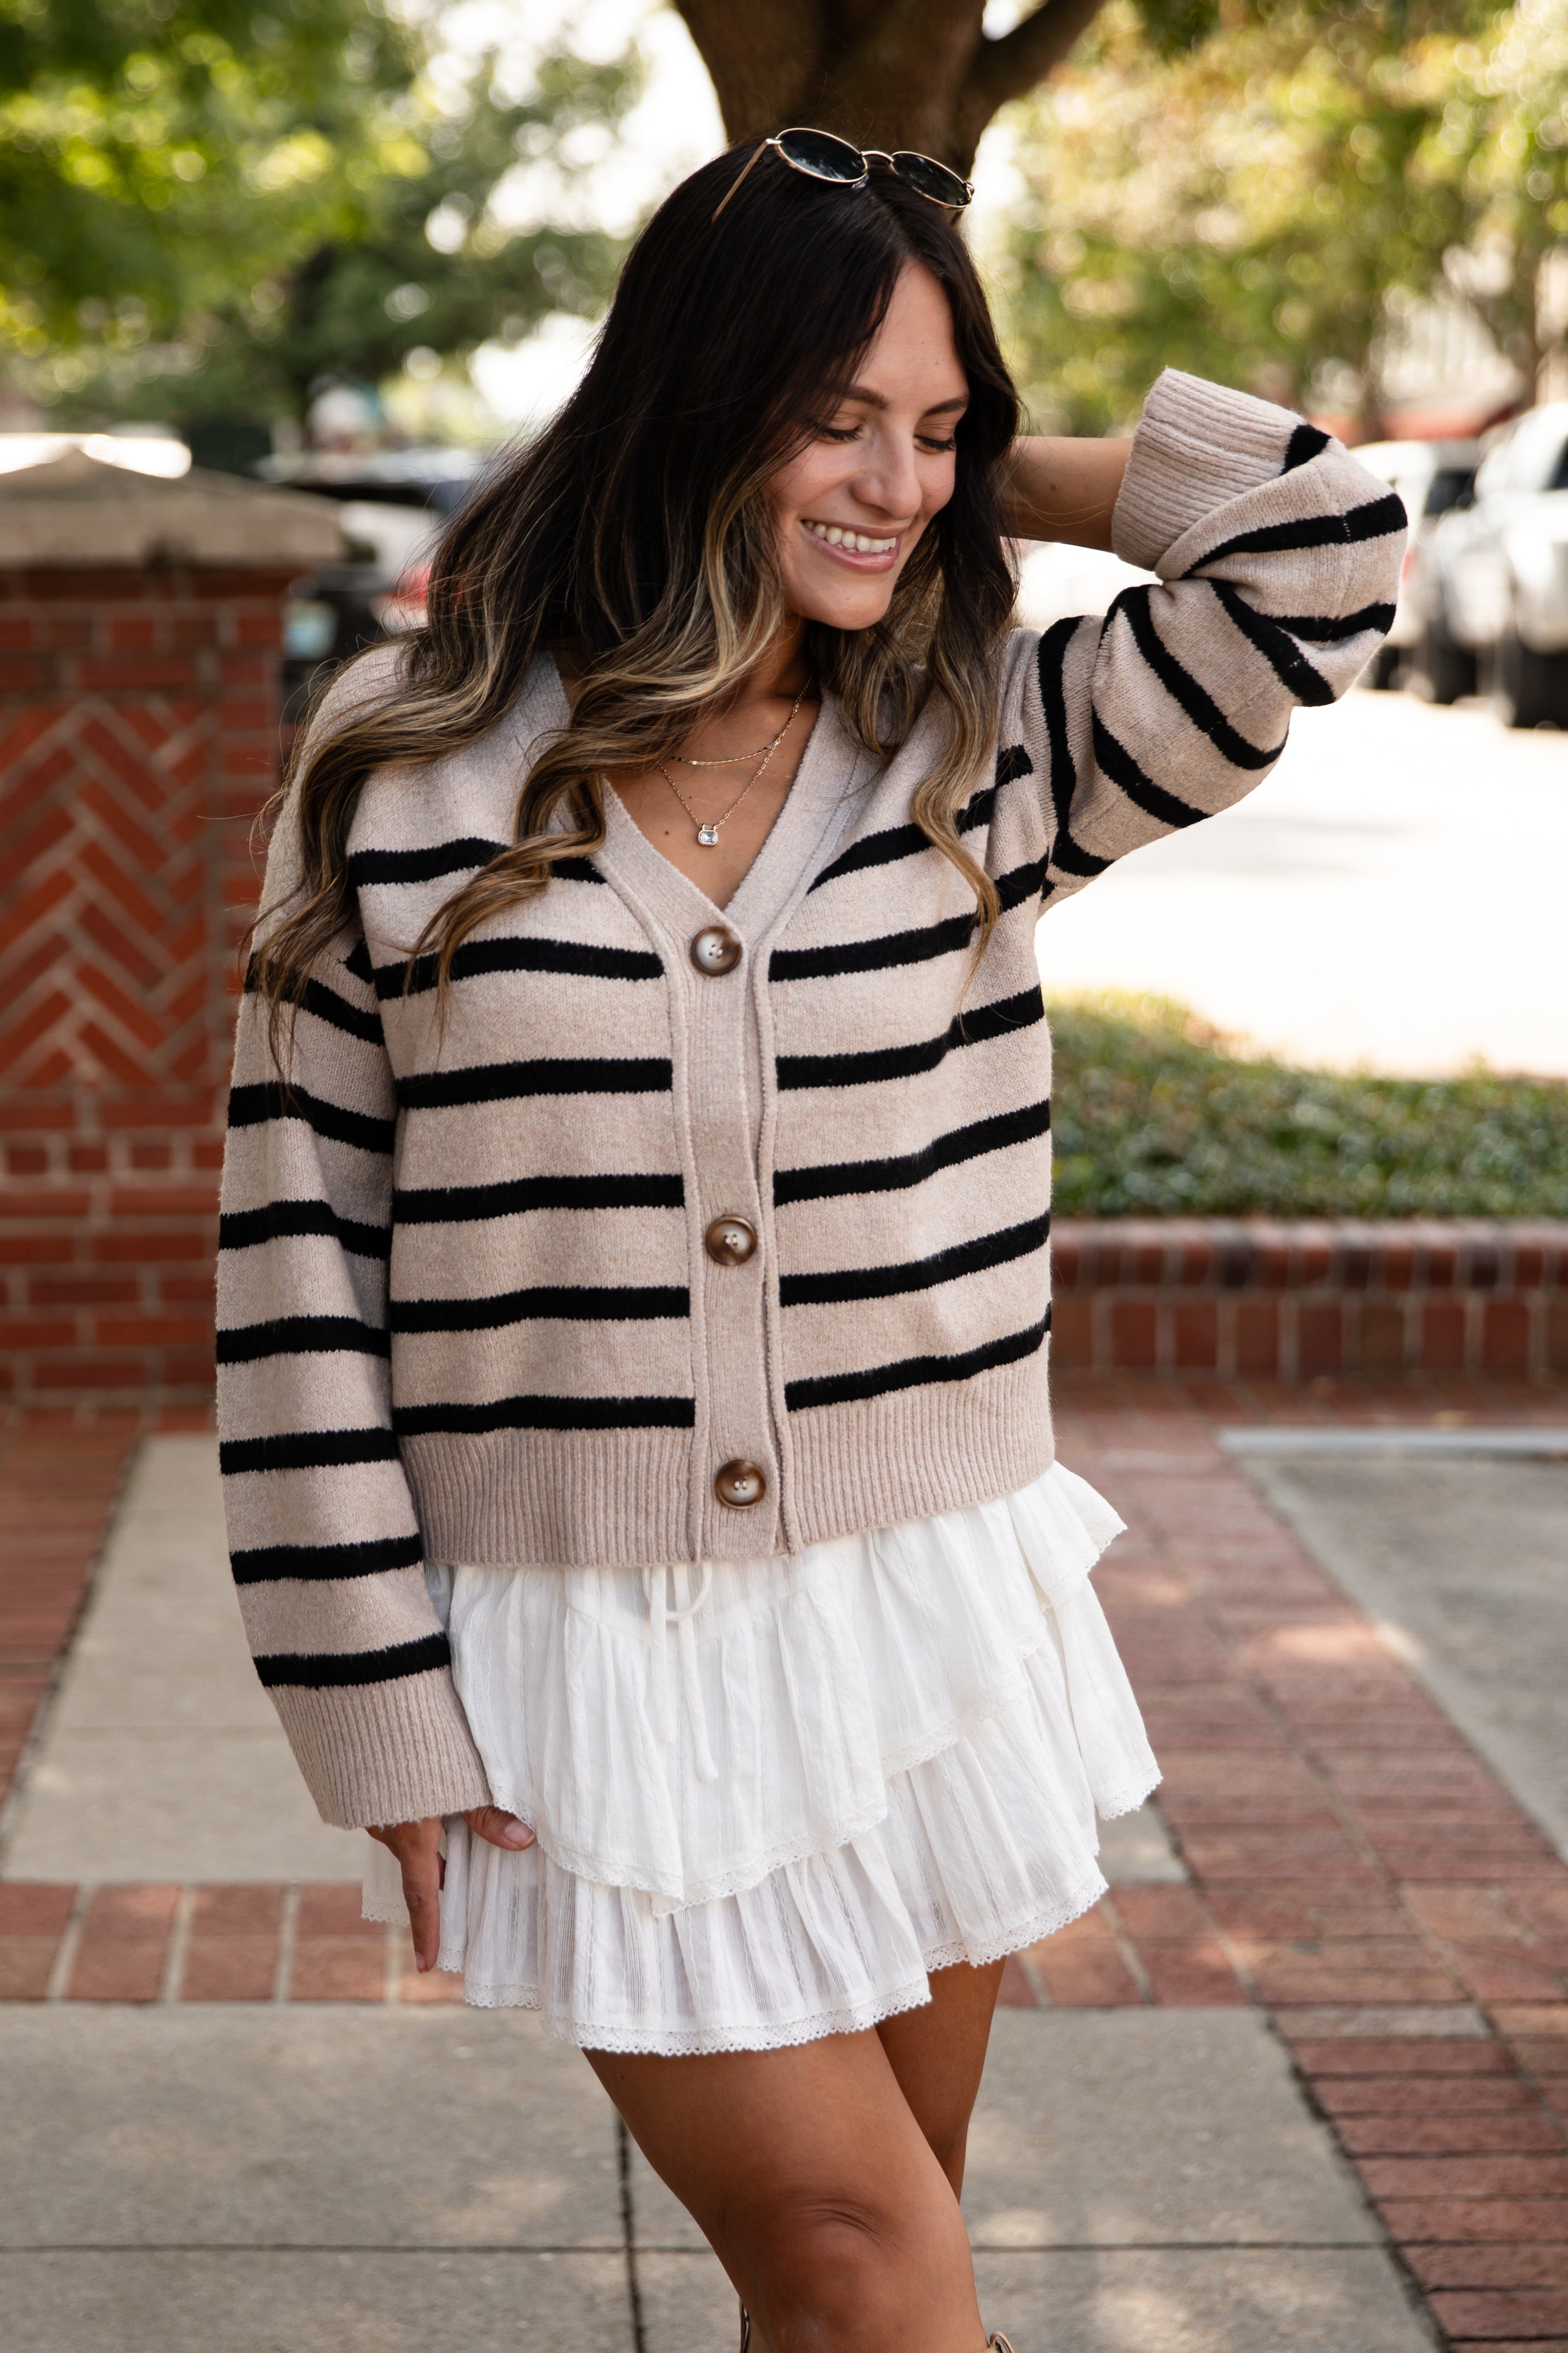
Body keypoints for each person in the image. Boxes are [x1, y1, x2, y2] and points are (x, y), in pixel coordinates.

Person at [218, 129, 1402, 2353]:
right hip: (592, 1652)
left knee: (854, 2263)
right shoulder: (404, 773)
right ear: (692, 404)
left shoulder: (983, 752)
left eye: (935, 424)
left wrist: (974, 469)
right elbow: (294, 1270)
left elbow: (1325, 551)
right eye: (829, 414)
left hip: (916, 1617)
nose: (894, 480)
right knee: (872, 2263)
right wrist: (370, 1700)